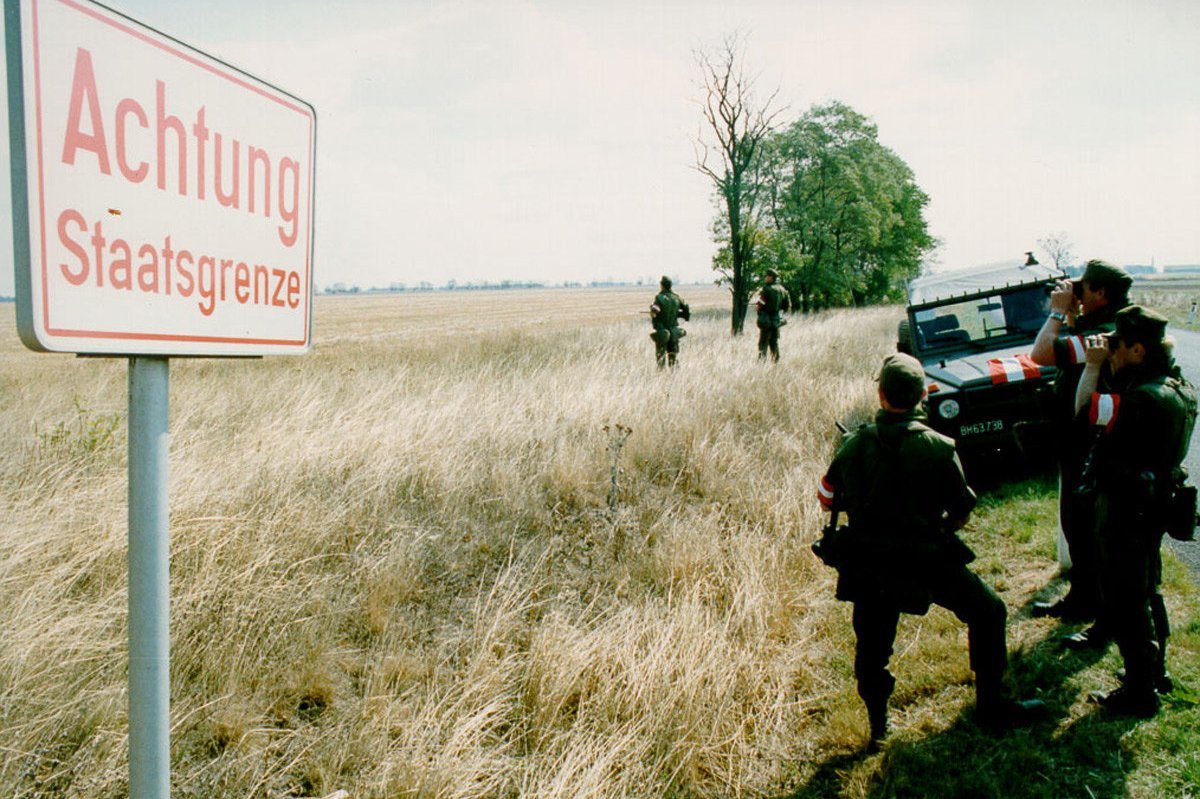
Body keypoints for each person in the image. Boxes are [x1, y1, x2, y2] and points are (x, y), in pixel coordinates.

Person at [815, 353, 1044, 747]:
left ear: (881, 394)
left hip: (870, 563)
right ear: (923, 394)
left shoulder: (853, 445)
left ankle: (878, 729)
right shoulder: (940, 446)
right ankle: (992, 706)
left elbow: (825, 498)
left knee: (872, 648)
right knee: (989, 612)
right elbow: (961, 509)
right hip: (927, 557)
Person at [1073, 306, 1196, 717]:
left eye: (1117, 346)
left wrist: (1093, 368)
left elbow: (1083, 415)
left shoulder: (1140, 399)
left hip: (1127, 508)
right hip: (1154, 503)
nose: (1111, 352)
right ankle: (1154, 673)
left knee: (1127, 600)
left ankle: (1140, 692)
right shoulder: (1177, 388)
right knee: (1148, 590)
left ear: (1139, 350)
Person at [1028, 259, 1132, 649]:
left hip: (1089, 440)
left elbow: (1040, 355)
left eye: (1083, 288)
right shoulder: (1103, 321)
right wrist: (1072, 314)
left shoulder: (1108, 328)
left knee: (1084, 523)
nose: (1076, 292)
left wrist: (1056, 310)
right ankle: (1082, 599)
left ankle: (1094, 605)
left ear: (1101, 293)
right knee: (1077, 522)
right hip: (1080, 435)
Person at [649, 276, 689, 369]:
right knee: (673, 358)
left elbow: (654, 313)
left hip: (663, 332)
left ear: (662, 285)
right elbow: (686, 312)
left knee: (661, 359)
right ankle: (673, 378)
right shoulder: (676, 298)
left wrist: (651, 311)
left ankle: (661, 378)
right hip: (674, 332)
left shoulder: (659, 297)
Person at [756, 268, 791, 362]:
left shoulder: (766, 289)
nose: (765, 278)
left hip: (766, 321)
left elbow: (759, 305)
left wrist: (759, 310)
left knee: (763, 344)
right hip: (776, 321)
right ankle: (776, 364)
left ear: (771, 277)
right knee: (774, 343)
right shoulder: (782, 290)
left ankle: (761, 365)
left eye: (766, 276)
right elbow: (787, 306)